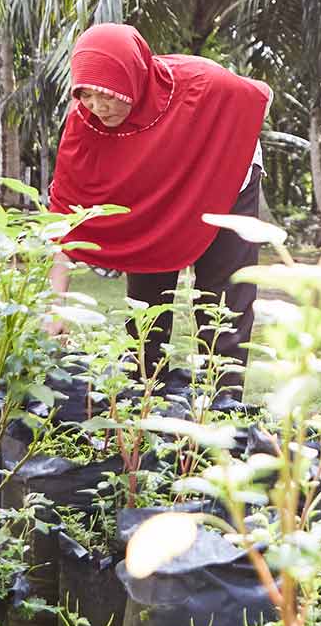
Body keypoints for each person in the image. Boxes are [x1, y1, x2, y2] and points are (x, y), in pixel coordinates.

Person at [46, 23, 272, 394]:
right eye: (86, 95)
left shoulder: (202, 82)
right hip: (153, 193)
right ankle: (145, 392)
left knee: (223, 301)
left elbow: (258, 97)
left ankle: (223, 403)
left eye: (109, 96)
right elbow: (65, 217)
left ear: (135, 79)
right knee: (147, 302)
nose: (99, 107)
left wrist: (200, 154)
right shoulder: (85, 125)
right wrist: (56, 309)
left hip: (225, 178)